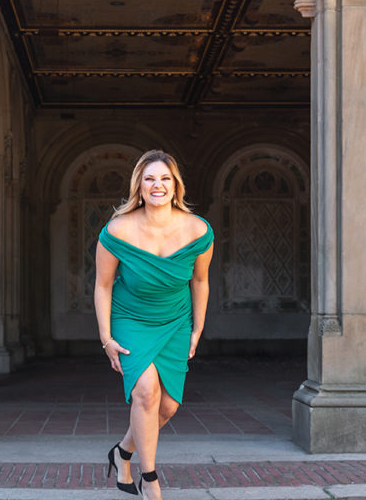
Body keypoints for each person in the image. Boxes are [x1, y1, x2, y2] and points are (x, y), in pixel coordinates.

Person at [94, 149, 213, 499]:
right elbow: (102, 285)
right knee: (146, 392)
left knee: (168, 406)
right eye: (149, 179)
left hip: (176, 320)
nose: (157, 185)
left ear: (175, 185)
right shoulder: (116, 230)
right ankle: (150, 479)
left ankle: (122, 452)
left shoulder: (198, 230)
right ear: (139, 187)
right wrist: (106, 338)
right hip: (130, 319)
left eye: (164, 178)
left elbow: (201, 282)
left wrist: (197, 328)